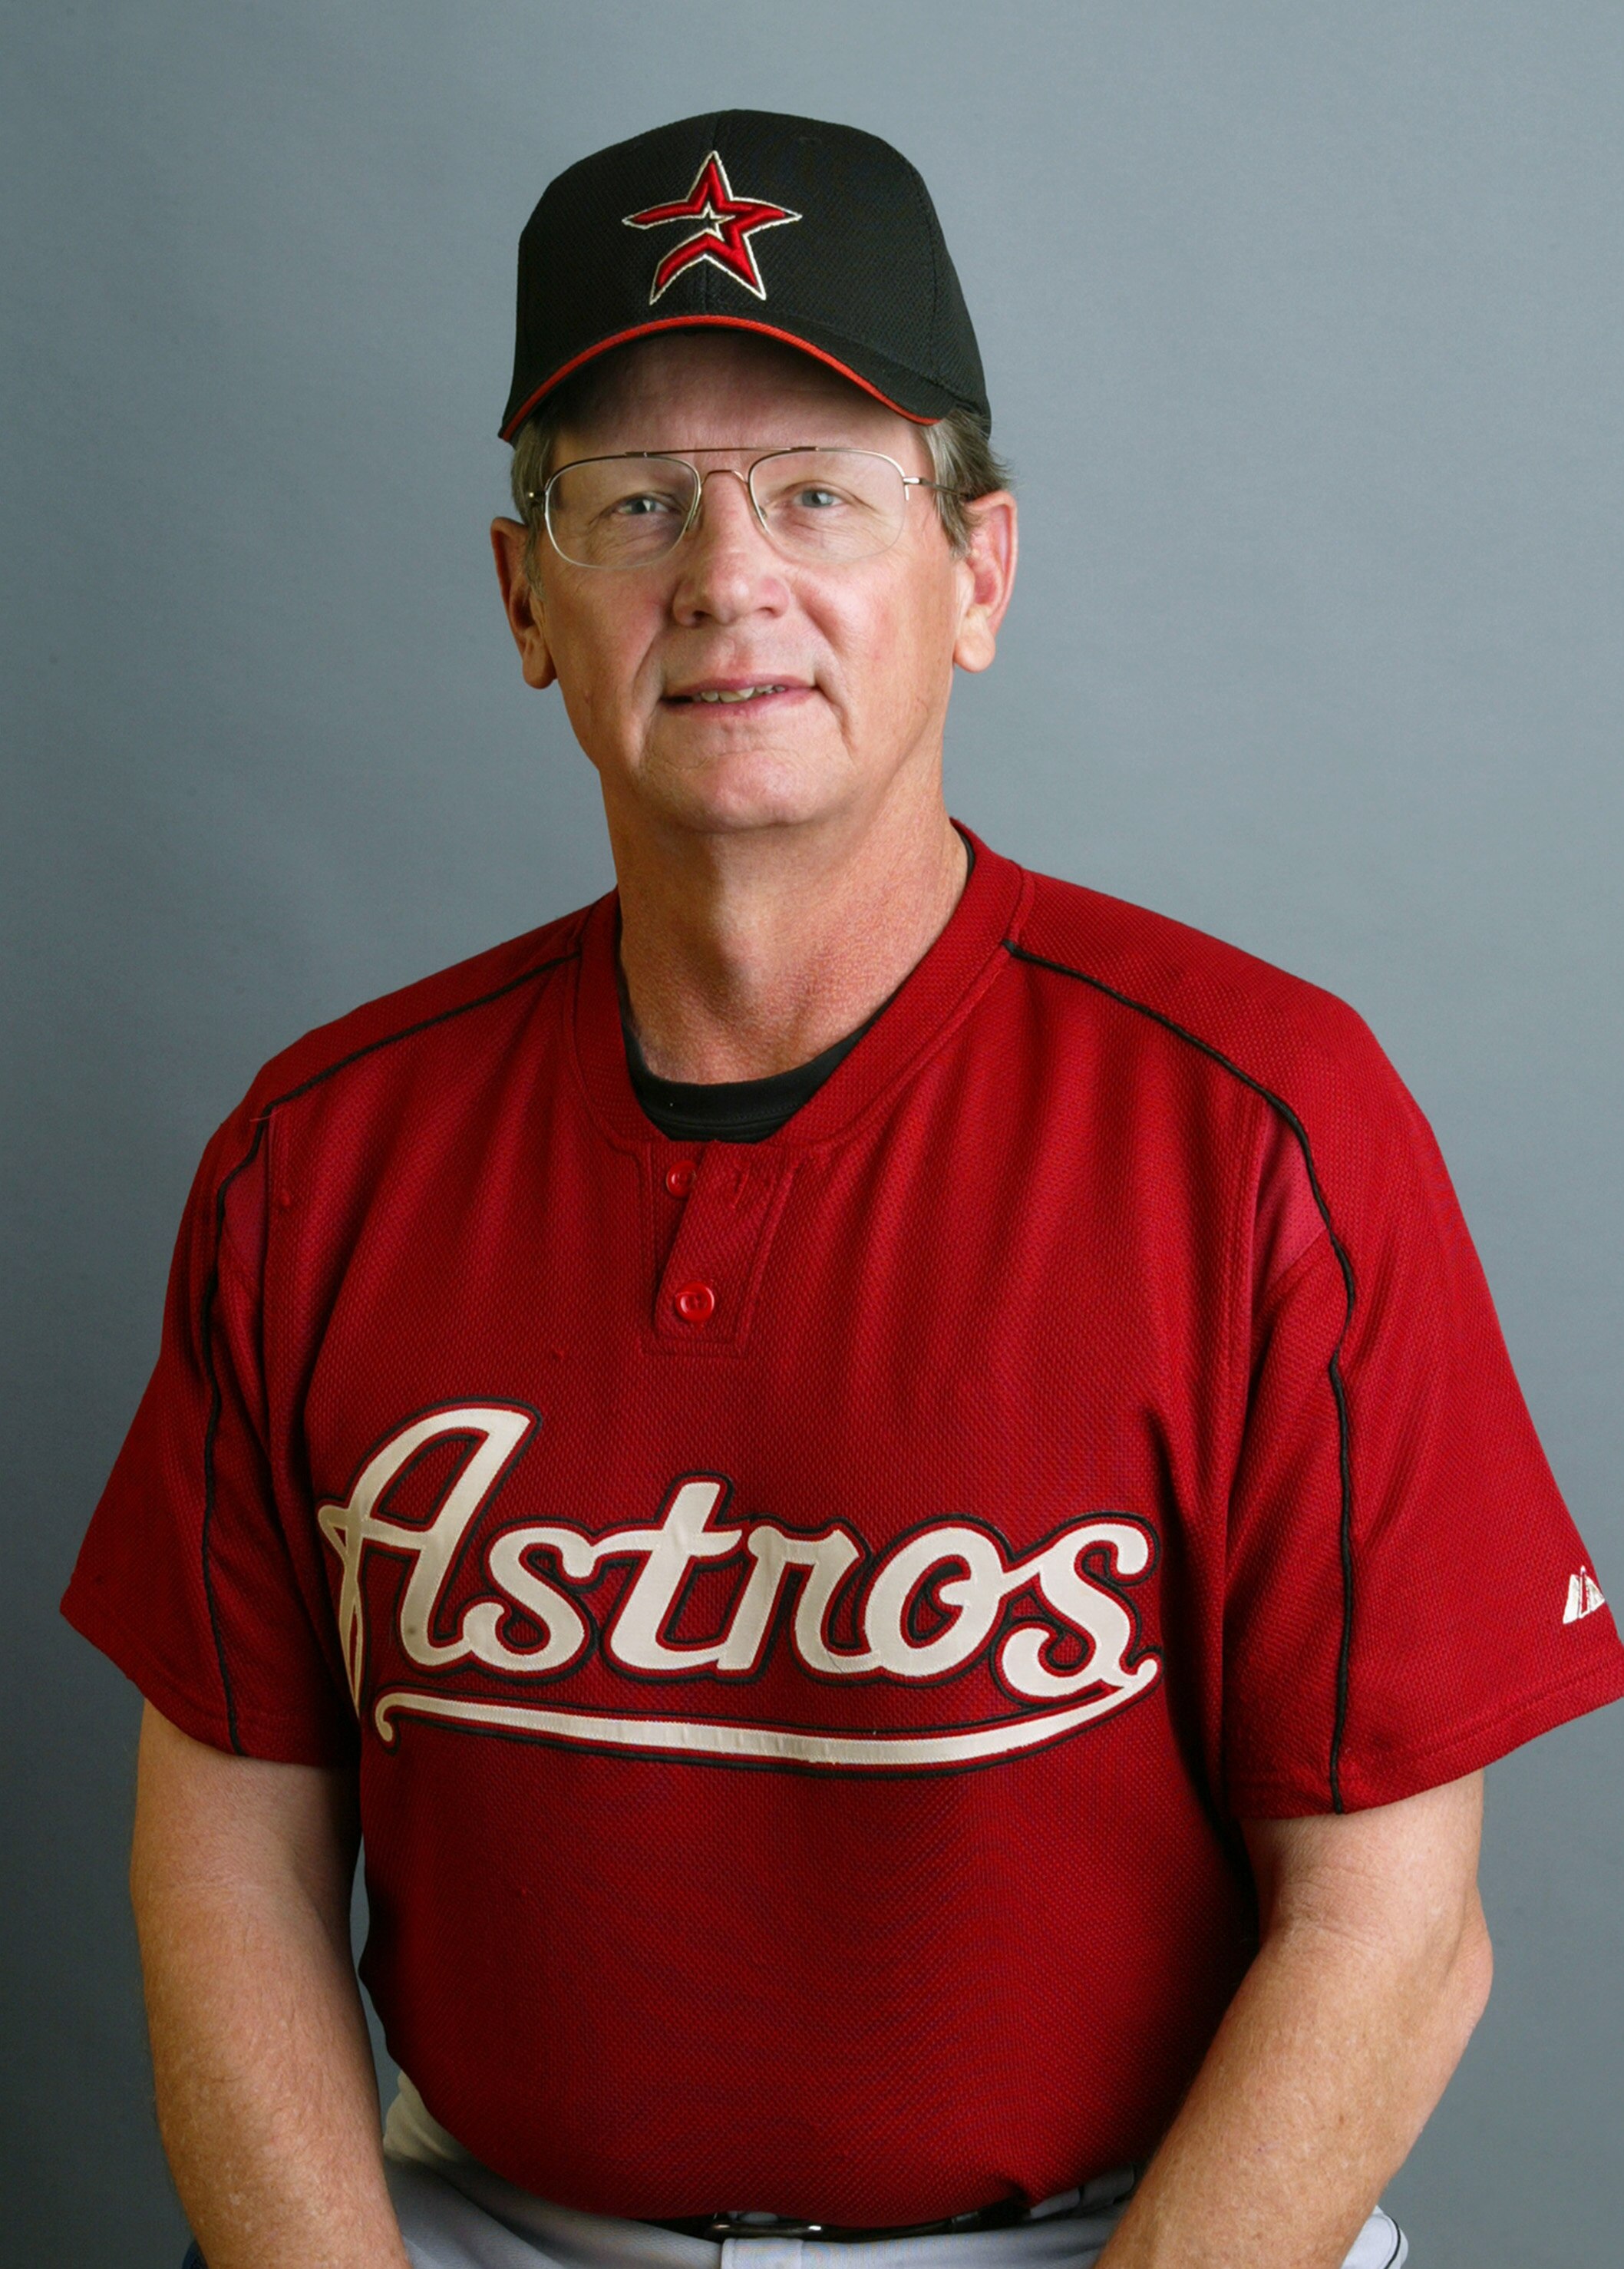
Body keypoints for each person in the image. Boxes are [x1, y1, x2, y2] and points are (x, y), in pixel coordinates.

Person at [64, 110, 1624, 2269]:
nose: (726, 579)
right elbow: (222, 1865)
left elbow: (1397, 1931)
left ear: (975, 574)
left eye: (819, 491)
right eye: (635, 505)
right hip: (485, 2230)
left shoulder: (1259, 1125)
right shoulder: (318, 1160)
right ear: (525, 600)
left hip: (1131, 2237)